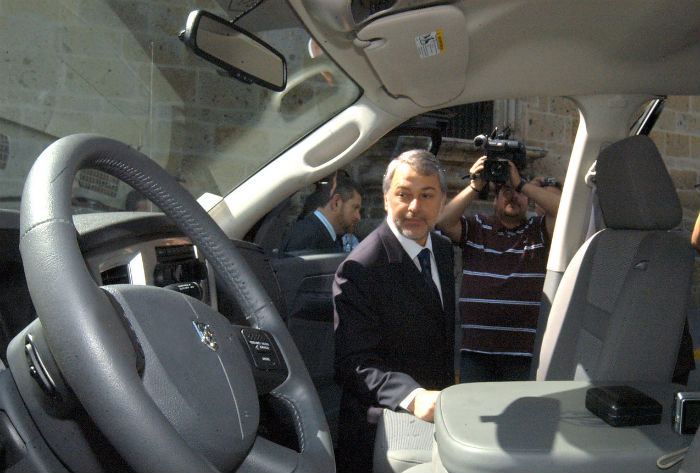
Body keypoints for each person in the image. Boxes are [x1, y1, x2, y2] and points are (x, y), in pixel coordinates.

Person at [333, 150, 456, 473]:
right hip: (383, 430)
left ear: (442, 202)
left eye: (426, 196)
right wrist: (413, 397)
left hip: (438, 422)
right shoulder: (361, 267)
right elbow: (354, 363)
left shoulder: (442, 251)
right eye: (404, 194)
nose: (414, 207)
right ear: (387, 199)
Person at [436, 155, 561, 382]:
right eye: (505, 192)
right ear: (494, 201)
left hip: (523, 355)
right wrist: (475, 186)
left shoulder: (538, 230)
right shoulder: (476, 227)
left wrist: (521, 183)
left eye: (518, 193)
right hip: (476, 353)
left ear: (529, 201)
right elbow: (443, 221)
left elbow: (566, 212)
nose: (513, 196)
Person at [281, 173, 362, 253]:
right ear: (336, 203)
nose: (358, 217)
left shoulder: (316, 233)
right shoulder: (309, 240)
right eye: (355, 208)